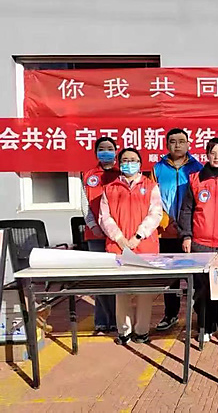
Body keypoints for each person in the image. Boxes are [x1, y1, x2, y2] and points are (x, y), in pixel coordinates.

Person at [99, 148, 163, 345]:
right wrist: (119, 238)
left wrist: (138, 236)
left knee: (145, 292)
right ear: (119, 163)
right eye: (125, 160)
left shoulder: (151, 186)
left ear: (140, 164)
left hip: (145, 247)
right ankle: (124, 331)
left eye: (133, 160)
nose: (129, 163)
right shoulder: (110, 188)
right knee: (122, 292)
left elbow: (155, 214)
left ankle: (142, 331)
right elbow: (104, 217)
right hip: (118, 248)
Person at [178, 138, 218, 341]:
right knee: (203, 289)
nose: (217, 157)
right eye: (213, 153)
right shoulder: (195, 179)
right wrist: (187, 235)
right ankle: (205, 326)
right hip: (201, 243)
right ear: (207, 155)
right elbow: (186, 210)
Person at [152, 128, 203, 332]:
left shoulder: (197, 168)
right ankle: (170, 314)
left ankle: (199, 316)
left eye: (182, 141)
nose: (177, 145)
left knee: (196, 278)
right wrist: (167, 221)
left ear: (189, 144)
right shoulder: (158, 169)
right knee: (170, 278)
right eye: (173, 141)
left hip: (191, 232)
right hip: (167, 231)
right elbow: (152, 200)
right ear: (167, 145)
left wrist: (187, 225)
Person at [81, 137, 120, 333]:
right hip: (95, 234)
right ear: (96, 152)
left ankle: (117, 319)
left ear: (116, 151)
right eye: (102, 148)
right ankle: (102, 320)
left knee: (116, 278)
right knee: (100, 278)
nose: (106, 151)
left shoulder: (121, 174)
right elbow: (84, 205)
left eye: (110, 148)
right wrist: (93, 225)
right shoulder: (88, 175)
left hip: (117, 234)